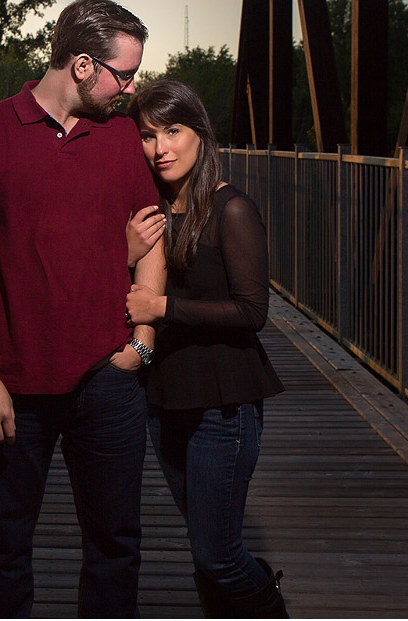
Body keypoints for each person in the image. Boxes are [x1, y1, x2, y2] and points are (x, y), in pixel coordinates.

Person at [0, 0, 167, 618]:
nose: (131, 88)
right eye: (124, 74)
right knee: (5, 545)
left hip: (107, 376)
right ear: (83, 65)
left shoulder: (120, 137)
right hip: (15, 383)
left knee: (116, 546)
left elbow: (150, 236)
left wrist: (141, 341)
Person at [124, 79, 288, 618]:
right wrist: (125, 255)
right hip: (165, 401)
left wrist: (162, 308)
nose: (161, 148)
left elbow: (252, 312)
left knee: (216, 554)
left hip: (224, 406)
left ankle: (269, 604)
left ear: (200, 133)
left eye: (173, 131)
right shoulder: (147, 212)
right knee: (204, 552)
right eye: (148, 136)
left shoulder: (232, 210)